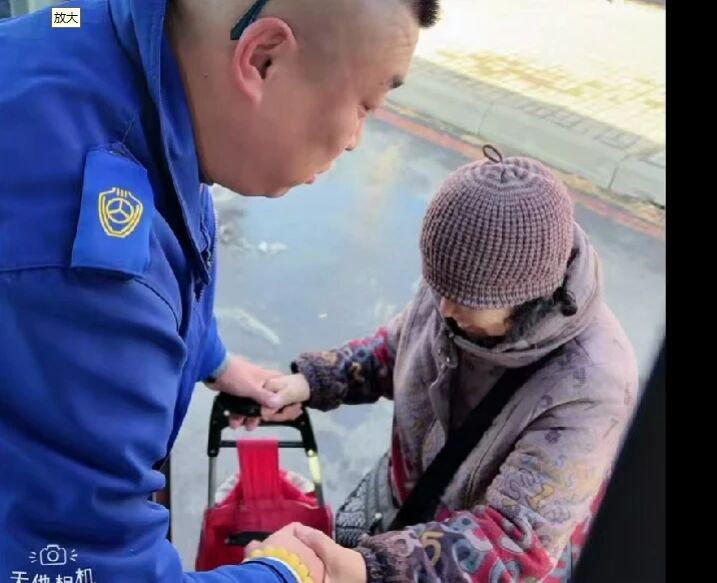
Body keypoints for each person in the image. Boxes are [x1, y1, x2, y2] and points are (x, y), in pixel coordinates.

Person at [0, 0, 439, 581]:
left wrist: (210, 357)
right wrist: (290, 572)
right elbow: (85, 567)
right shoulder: (91, 280)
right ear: (262, 58)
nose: (357, 139)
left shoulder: (93, 26)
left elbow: (170, 221)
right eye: (365, 105)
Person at [257, 150, 640, 582]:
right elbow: (398, 347)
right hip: (401, 503)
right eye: (437, 287)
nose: (443, 310)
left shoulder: (593, 383)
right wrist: (315, 381)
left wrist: (368, 568)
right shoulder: (456, 285)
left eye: (463, 300)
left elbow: (512, 542)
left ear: (527, 296)